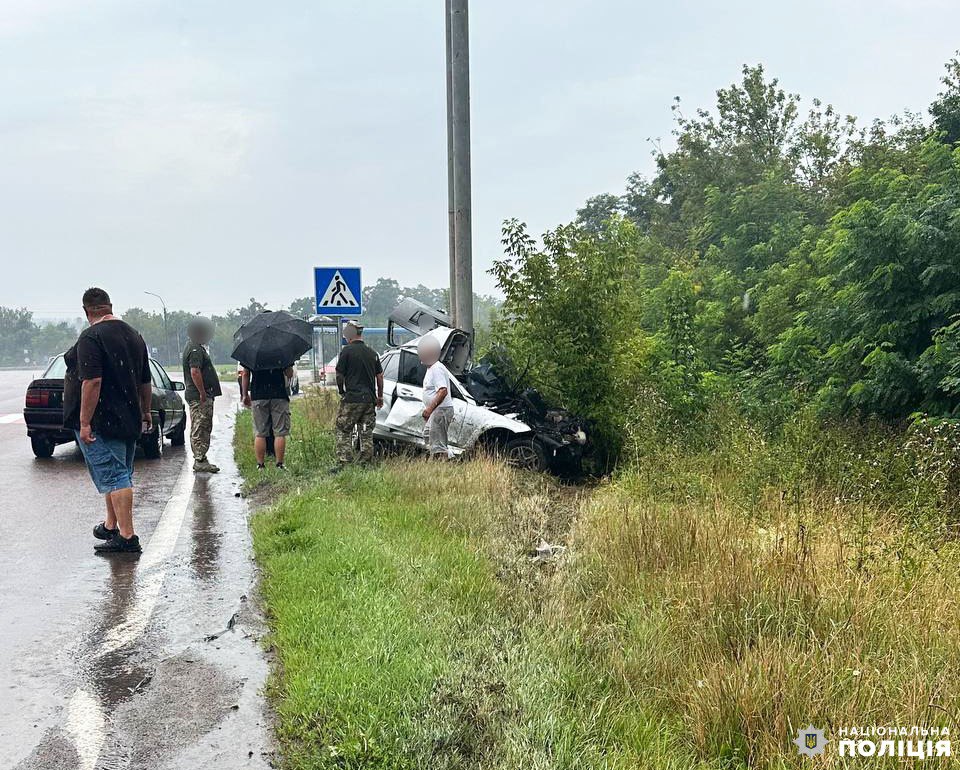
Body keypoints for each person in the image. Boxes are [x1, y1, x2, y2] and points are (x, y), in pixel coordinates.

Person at [62, 287, 151, 554]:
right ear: (110, 306)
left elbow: (93, 381)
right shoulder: (134, 336)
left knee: (115, 476)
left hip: (103, 420)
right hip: (128, 417)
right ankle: (112, 525)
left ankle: (127, 537)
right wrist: (146, 412)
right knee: (118, 473)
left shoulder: (92, 336)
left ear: (86, 311)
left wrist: (85, 421)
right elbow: (145, 381)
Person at [333, 322, 383, 469]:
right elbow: (379, 376)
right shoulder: (372, 353)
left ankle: (344, 461)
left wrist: (342, 391)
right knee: (366, 431)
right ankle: (366, 462)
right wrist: (379, 396)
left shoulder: (346, 352)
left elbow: (339, 374)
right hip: (368, 400)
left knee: (343, 428)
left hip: (352, 399)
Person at [182, 317, 222, 473]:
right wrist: (202, 393)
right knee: (201, 426)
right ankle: (200, 459)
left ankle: (201, 458)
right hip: (199, 396)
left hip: (198, 394)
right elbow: (195, 371)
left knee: (201, 425)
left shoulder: (194, 347)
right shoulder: (195, 350)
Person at [241, 363, 294, 471]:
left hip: (258, 395)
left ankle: (260, 465)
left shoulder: (252, 351)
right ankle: (279, 464)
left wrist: (245, 394)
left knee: (260, 433)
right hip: (279, 394)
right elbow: (289, 374)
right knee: (279, 432)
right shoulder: (281, 350)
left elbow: (245, 374)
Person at [418, 336, 455, 459]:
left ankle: (442, 463)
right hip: (436, 411)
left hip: (441, 410)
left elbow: (442, 391)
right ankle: (445, 457)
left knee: (438, 442)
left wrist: (430, 409)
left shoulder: (437, 368)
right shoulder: (431, 368)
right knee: (428, 435)